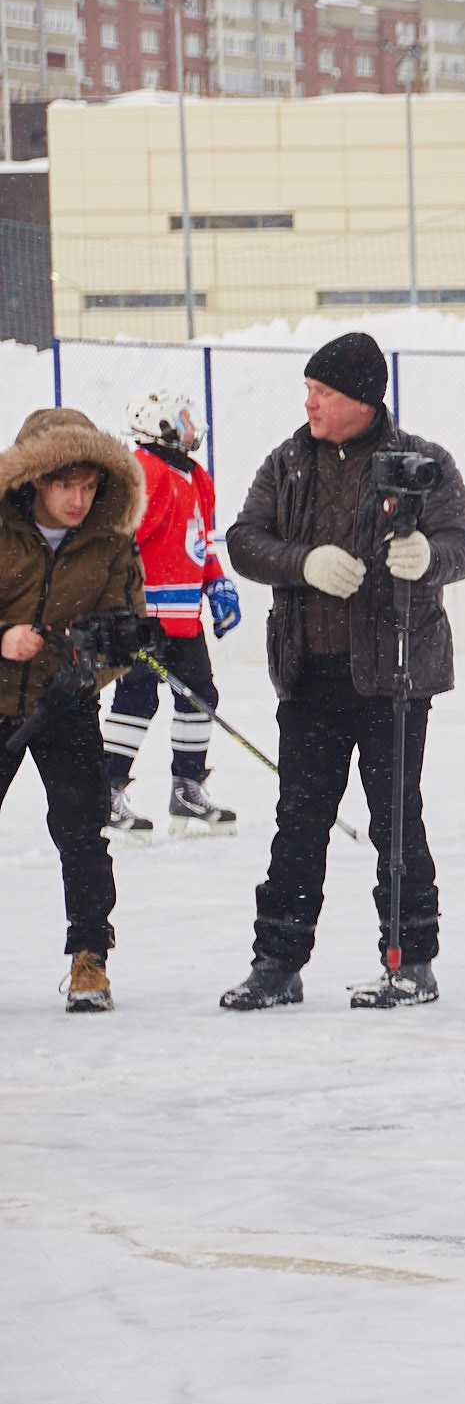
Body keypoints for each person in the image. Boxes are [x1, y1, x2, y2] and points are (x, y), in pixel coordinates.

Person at [219, 332, 465, 1010]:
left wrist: (427, 554)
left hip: (394, 675)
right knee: (298, 819)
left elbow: (461, 545)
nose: (310, 402)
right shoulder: (288, 462)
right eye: (310, 390)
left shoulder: (424, 463)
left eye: (323, 392)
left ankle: (410, 959)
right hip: (309, 673)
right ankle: (277, 960)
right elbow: (245, 540)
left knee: (397, 819)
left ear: (362, 399)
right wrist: (302, 561)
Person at [1, 409, 149, 1012]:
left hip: (67, 704)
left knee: (82, 833)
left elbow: (126, 626)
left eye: (89, 486)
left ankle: (90, 958)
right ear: (35, 479)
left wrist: (94, 660)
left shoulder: (111, 542)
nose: (78, 500)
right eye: (66, 485)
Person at [100, 389, 242, 836]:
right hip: (147, 617)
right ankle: (105, 792)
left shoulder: (191, 476)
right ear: (159, 427)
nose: (191, 426)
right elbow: (118, 543)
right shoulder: (147, 473)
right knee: (136, 700)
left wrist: (216, 581)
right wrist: (122, 607)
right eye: (182, 419)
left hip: (184, 619)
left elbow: (198, 543)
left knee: (200, 696)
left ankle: (186, 790)